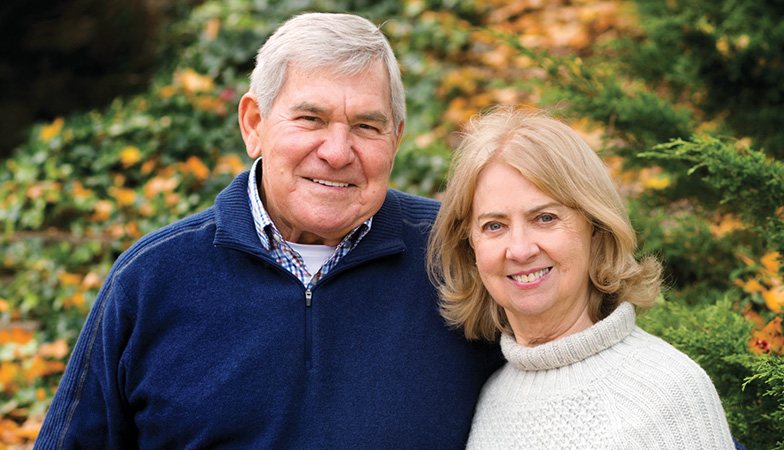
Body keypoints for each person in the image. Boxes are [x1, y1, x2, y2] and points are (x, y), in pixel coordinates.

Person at [34, 13, 501, 449]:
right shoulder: (150, 279)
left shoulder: (463, 254)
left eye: (365, 126)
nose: (337, 152)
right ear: (254, 124)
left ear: (396, 138)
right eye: (310, 119)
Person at [427, 106, 738, 449]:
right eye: (494, 226)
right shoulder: (489, 397)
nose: (519, 249)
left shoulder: (667, 391)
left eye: (544, 218)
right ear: (470, 245)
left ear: (596, 226)